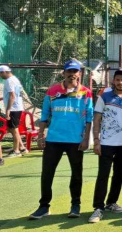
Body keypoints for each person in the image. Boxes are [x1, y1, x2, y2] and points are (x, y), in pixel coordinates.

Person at [29, 59, 94, 220]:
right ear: (63, 73)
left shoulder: (86, 92)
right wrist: (40, 135)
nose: (72, 74)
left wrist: (86, 139)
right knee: (47, 173)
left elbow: (89, 118)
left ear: (79, 73)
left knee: (76, 174)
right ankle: (44, 206)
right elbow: (45, 115)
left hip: (76, 140)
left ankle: (75, 205)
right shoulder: (52, 91)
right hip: (53, 139)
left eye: (75, 71)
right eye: (69, 71)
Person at [88, 68, 122, 223]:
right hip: (106, 143)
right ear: (113, 81)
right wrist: (96, 140)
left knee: (119, 175)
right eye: (118, 79)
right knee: (103, 175)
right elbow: (97, 119)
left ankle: (111, 202)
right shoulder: (104, 96)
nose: (120, 82)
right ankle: (98, 208)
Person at [0, 65, 27, 157]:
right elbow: (13, 94)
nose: (0, 75)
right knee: (11, 128)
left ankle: (16, 151)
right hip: (16, 107)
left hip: (13, 108)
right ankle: (22, 147)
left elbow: (12, 96)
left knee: (13, 129)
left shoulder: (9, 81)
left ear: (4, 72)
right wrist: (2, 98)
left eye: (0, 73)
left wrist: (8, 110)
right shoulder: (14, 79)